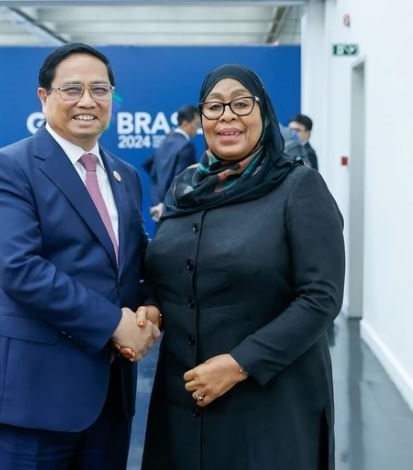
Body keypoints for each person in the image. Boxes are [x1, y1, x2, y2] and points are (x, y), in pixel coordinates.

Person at [0, 43, 160, 469]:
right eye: (72, 89)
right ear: (44, 96)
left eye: (100, 90)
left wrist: (149, 308)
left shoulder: (124, 175)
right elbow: (20, 269)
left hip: (109, 395)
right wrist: (114, 324)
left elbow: (132, 262)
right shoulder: (8, 167)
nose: (87, 101)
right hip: (32, 394)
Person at [139, 65, 345, 469]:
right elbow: (168, 268)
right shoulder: (185, 188)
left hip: (269, 399)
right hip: (184, 398)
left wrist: (239, 364)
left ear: (264, 113)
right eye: (214, 106)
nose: (226, 116)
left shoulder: (298, 186)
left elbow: (321, 297)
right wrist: (151, 304)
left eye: (241, 103)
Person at [142, 104, 200, 222]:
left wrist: (158, 203)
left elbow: (151, 170)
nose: (197, 128)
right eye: (196, 124)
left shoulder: (165, 141)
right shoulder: (187, 147)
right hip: (177, 213)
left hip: (160, 212)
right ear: (185, 123)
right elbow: (181, 182)